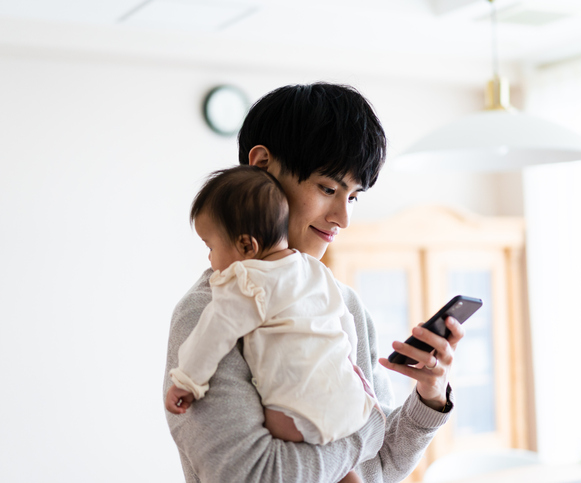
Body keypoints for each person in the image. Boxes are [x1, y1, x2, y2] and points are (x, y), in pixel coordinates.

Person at [163, 82, 465, 482]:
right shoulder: (206, 312)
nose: (343, 217)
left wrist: (430, 396)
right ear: (262, 165)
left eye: (353, 197)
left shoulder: (344, 302)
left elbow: (380, 470)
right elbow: (253, 474)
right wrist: (368, 432)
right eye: (328, 188)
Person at [165, 165, 376, 483]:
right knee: (340, 463)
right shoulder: (318, 273)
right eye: (329, 189)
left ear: (247, 246)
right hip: (350, 402)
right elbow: (346, 328)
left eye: (211, 247)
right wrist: (353, 378)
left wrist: (187, 382)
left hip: (297, 416)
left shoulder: (245, 281)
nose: (210, 259)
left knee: (282, 426)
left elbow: (213, 333)